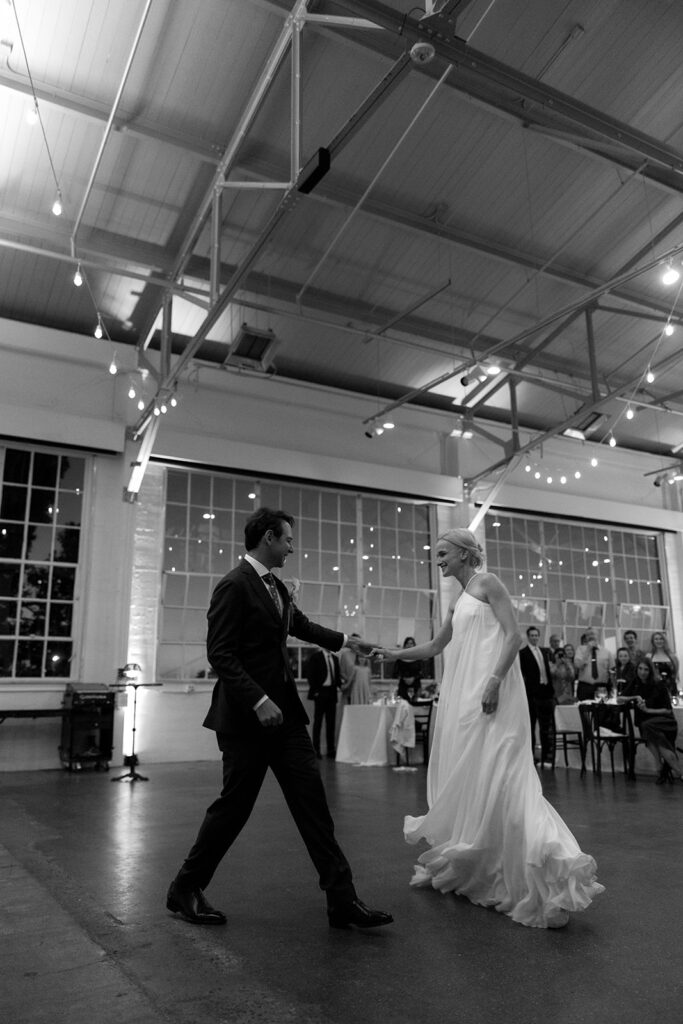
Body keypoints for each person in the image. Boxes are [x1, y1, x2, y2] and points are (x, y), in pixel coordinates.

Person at [166, 507, 393, 931]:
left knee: (314, 806)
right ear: (268, 538)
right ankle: (184, 888)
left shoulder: (277, 588)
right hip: (245, 721)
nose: (292, 547)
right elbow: (221, 654)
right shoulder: (233, 586)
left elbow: (301, 626)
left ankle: (342, 901)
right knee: (233, 810)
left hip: (285, 719)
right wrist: (256, 700)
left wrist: (348, 642)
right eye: (288, 539)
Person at [373, 527, 603, 929]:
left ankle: (547, 869)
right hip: (462, 699)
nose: (438, 559)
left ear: (464, 554)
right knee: (476, 778)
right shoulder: (458, 599)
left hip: (494, 692)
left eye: (443, 553)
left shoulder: (488, 583)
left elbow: (513, 637)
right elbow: (434, 646)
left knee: (506, 775)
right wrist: (392, 652)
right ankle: (484, 861)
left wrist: (495, 680)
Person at [622, 659, 681, 784]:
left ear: (650, 671)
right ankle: (668, 769)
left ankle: (663, 768)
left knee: (649, 729)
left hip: (664, 722)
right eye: (640, 669)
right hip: (646, 724)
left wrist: (648, 710)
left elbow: (667, 711)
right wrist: (634, 697)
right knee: (655, 736)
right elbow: (619, 699)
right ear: (636, 669)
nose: (642, 672)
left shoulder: (659, 685)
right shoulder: (635, 683)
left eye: (646, 669)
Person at [519, 626, 556, 766]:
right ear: (528, 637)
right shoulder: (523, 653)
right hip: (532, 694)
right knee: (532, 725)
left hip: (546, 691)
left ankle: (547, 756)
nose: (534, 637)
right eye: (532, 635)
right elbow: (522, 675)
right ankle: (531, 757)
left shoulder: (545, 651)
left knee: (547, 726)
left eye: (536, 635)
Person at [306, 647, 342, 759]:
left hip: (332, 693)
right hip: (320, 692)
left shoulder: (335, 659)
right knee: (318, 722)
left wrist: (342, 687)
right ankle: (316, 750)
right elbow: (310, 674)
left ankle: (331, 750)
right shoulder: (316, 657)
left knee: (331, 723)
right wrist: (315, 691)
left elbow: (337, 676)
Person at [574, 629, 614, 700]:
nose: (590, 636)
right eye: (588, 635)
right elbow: (578, 665)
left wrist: (612, 689)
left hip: (602, 687)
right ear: (586, 637)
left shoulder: (607, 652)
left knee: (602, 710)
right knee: (583, 709)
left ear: (597, 636)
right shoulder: (580, 650)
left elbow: (612, 671)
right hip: (584, 687)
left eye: (592, 633)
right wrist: (587, 650)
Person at [646, 632, 679, 696]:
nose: (659, 641)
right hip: (653, 689)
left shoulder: (673, 657)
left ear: (665, 640)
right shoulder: (648, 656)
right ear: (653, 641)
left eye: (661, 639)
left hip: (670, 689)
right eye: (656, 639)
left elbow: (675, 675)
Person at [394, 636, 423, 702]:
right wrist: (404, 678)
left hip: (416, 686)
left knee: (415, 706)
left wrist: (413, 678)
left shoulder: (419, 658)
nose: (409, 645)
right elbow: (395, 673)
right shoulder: (400, 659)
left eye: (411, 643)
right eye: (407, 643)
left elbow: (422, 673)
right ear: (404, 645)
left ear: (414, 645)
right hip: (403, 687)